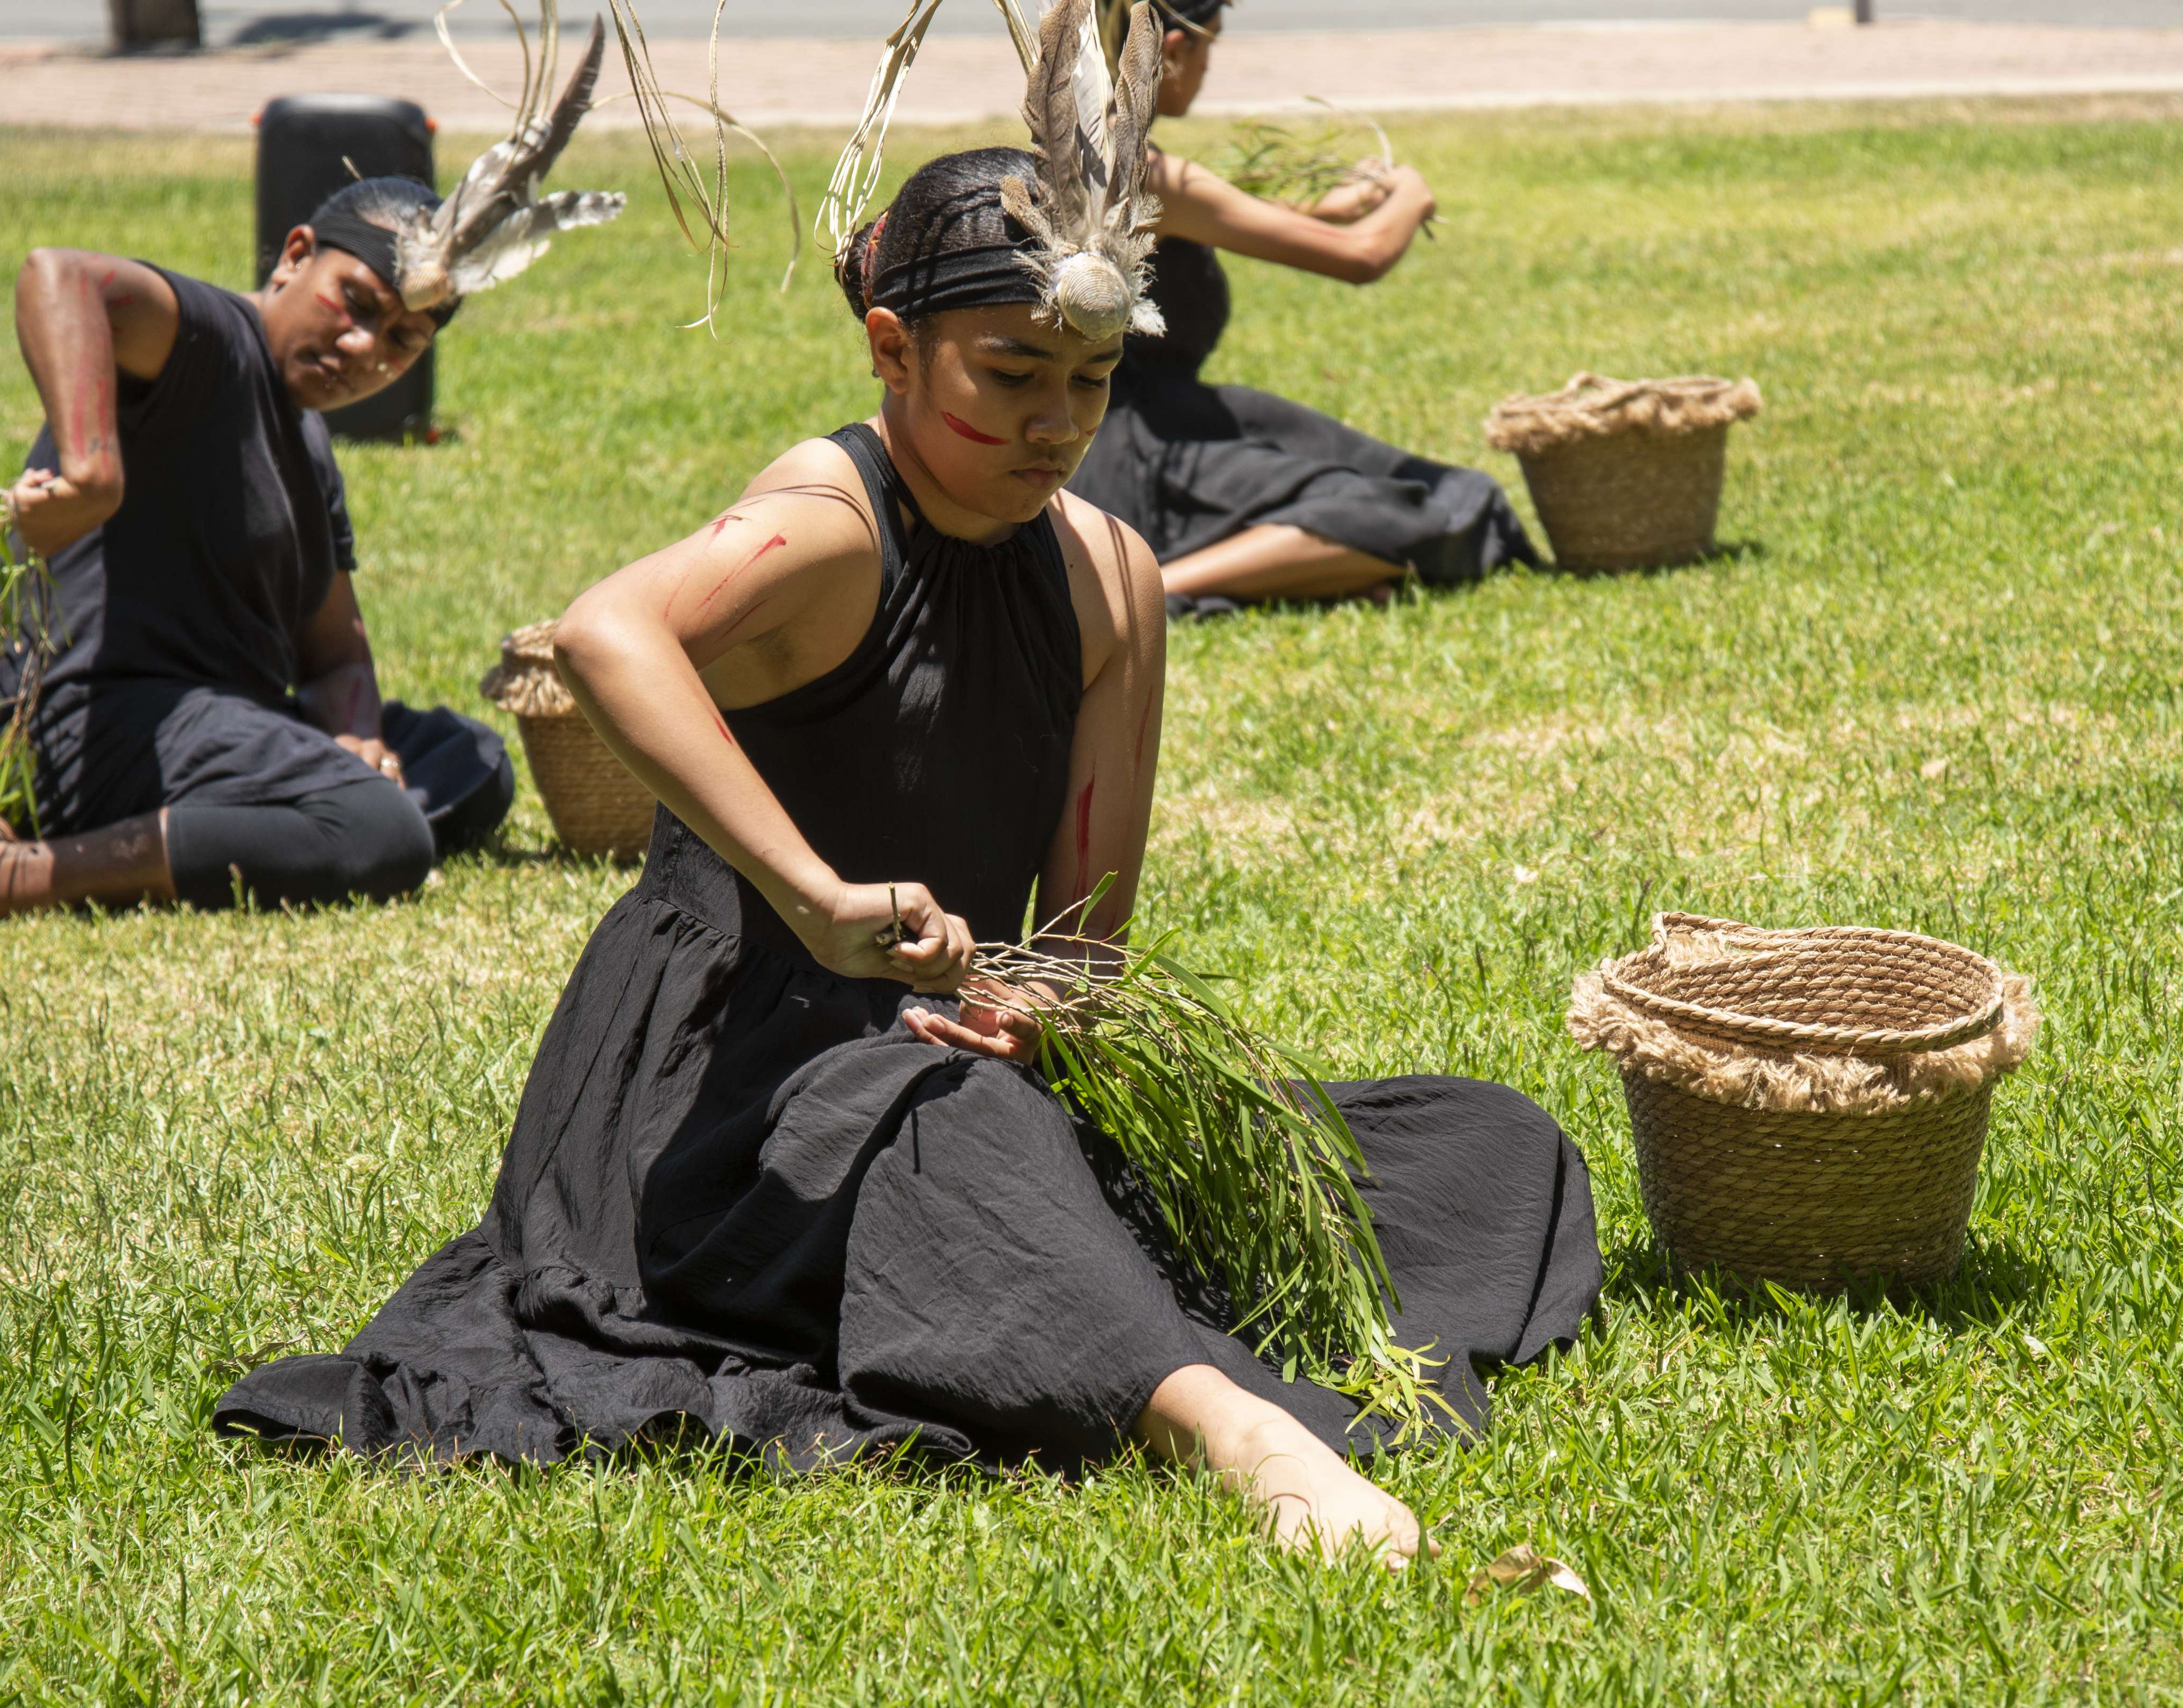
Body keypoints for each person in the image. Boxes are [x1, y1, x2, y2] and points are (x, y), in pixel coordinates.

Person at [216, 3, 1599, 1565]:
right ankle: (1237, 1430)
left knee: (1479, 1148)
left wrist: (1043, 1003)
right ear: (891, 345)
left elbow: (1081, 939)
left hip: (955, 1037)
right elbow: (609, 633)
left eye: (1085, 381)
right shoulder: (827, 518)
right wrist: (818, 902)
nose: (1054, 423)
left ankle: (1072, 1270)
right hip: (724, 1069)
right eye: (1008, 374)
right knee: (946, 1123)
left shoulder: (1115, 577)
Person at [0, 16, 626, 920]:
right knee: (383, 833)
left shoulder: (308, 439)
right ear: (297, 255)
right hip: (88, 724)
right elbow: (62, 278)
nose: (367, 349)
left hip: (221, 720)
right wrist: (92, 470)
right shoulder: (210, 341)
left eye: (402, 341)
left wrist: (354, 729)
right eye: (354, 305)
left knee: (467, 764)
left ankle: (303, 818)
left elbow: (333, 642)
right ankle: (22, 876)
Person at [1064, 0, 1538, 615]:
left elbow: (1214, 218)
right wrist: (1411, 194)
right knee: (1417, 510)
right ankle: (1153, 587)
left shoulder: (1083, 153)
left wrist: (1330, 206)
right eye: (1212, 48)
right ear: (1175, 51)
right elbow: (1361, 256)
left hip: (1125, 427)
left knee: (1454, 492)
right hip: (1140, 460)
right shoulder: (1153, 176)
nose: (1209, 68)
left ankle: (1261, 568)